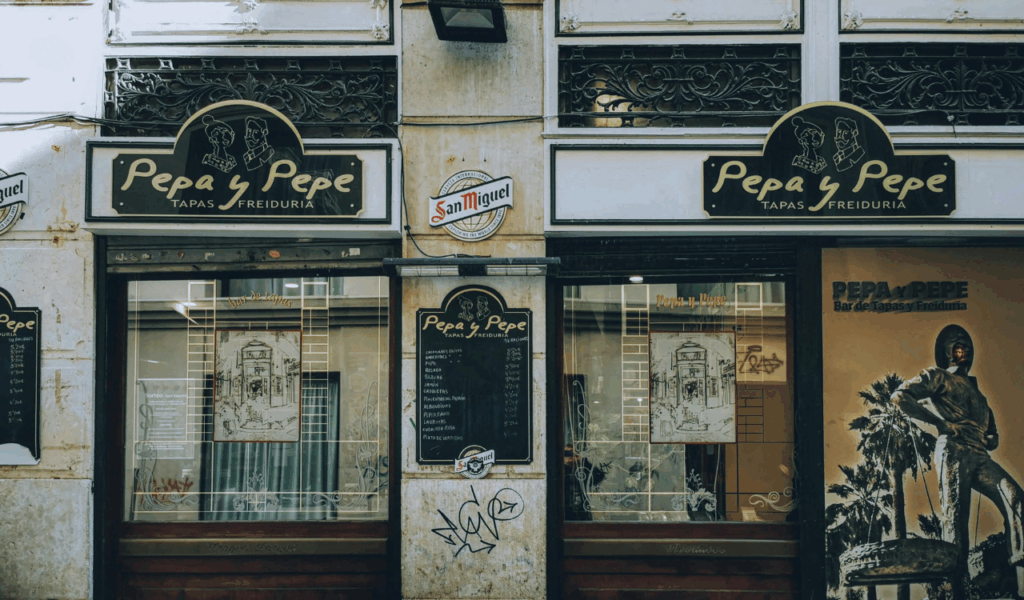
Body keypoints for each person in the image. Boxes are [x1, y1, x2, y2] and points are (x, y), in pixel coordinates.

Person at [890, 324, 1024, 598]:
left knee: (1016, 499)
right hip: (953, 450)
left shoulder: (979, 395)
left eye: (967, 342)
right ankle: (956, 591)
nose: (964, 345)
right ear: (947, 351)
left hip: (979, 454)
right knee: (956, 517)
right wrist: (939, 422)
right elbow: (899, 396)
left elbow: (992, 433)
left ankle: (1021, 578)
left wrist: (991, 440)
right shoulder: (938, 376)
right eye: (957, 341)